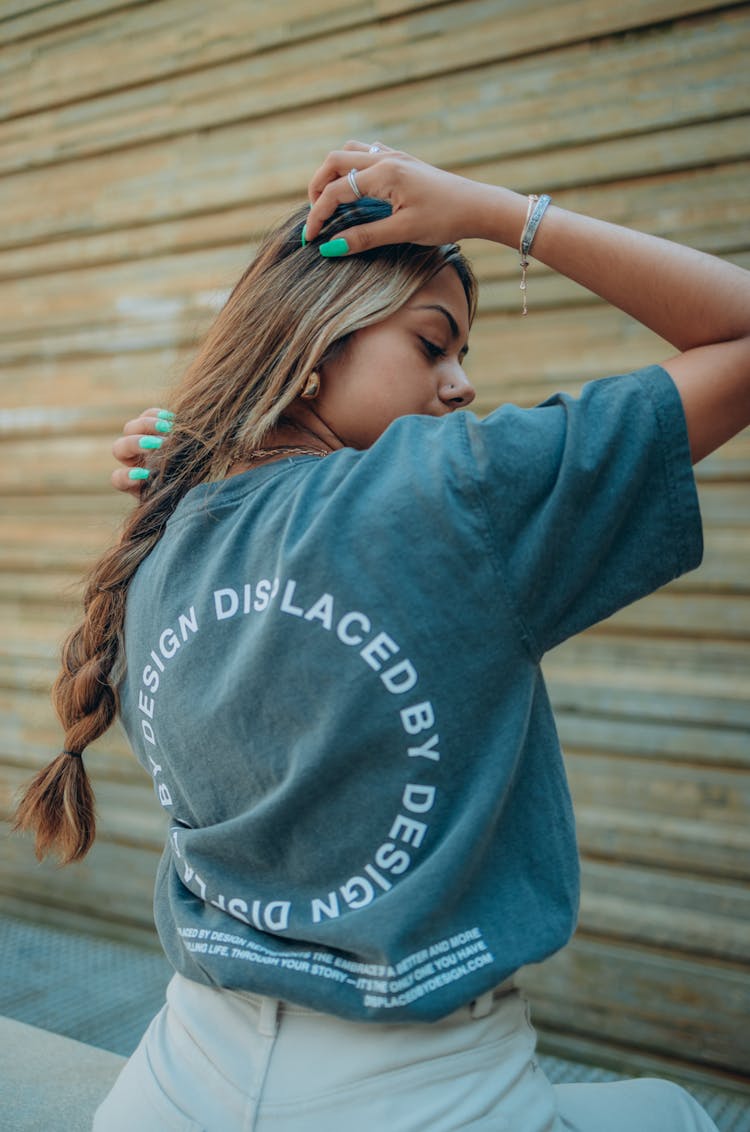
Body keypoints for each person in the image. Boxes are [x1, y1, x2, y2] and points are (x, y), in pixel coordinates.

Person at [14, 140, 749, 1131]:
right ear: (317, 349)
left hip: (173, 1084)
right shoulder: (460, 489)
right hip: (428, 1093)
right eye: (433, 344)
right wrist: (496, 211)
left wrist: (198, 465)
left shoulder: (164, 525)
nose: (461, 386)